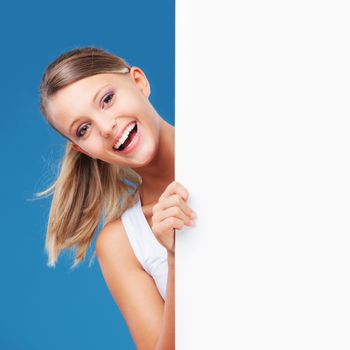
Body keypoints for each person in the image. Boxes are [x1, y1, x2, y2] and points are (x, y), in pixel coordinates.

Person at [37, 47, 196, 349]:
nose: (107, 127)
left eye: (107, 99)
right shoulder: (122, 242)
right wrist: (177, 258)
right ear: (84, 150)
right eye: (84, 129)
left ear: (139, 82)